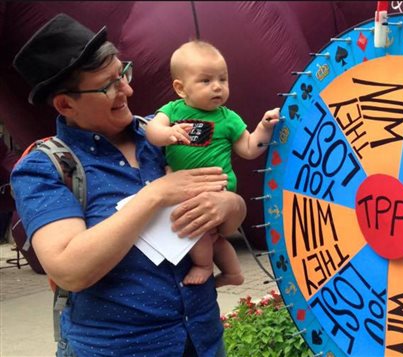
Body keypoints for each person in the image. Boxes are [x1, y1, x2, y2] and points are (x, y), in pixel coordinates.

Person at [11, 14, 246, 356]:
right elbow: (70, 271)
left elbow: (229, 210)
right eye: (109, 85)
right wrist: (155, 195)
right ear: (65, 104)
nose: (128, 90)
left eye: (124, 73)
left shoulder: (167, 135)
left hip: (202, 341)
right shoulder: (43, 168)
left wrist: (229, 206)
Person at [146, 40, 279, 286]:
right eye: (206, 81)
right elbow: (152, 130)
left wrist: (263, 128)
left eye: (223, 79)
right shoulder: (172, 111)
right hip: (185, 187)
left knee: (196, 230)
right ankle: (234, 273)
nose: (217, 87)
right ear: (180, 88)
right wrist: (167, 134)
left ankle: (203, 265)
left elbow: (250, 149)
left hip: (218, 186)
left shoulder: (228, 118)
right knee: (213, 236)